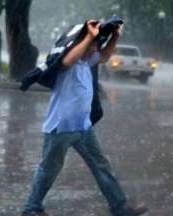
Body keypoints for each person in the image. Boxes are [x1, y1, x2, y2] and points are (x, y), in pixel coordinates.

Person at [21, 20, 148, 216]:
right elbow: (66, 60)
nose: (97, 48)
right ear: (82, 45)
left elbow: (105, 56)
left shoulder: (86, 62)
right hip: (61, 129)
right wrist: (88, 36)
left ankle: (119, 207)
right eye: (94, 45)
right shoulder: (68, 63)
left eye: (97, 44)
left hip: (83, 128)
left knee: (101, 165)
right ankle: (31, 209)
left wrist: (115, 36)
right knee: (49, 169)